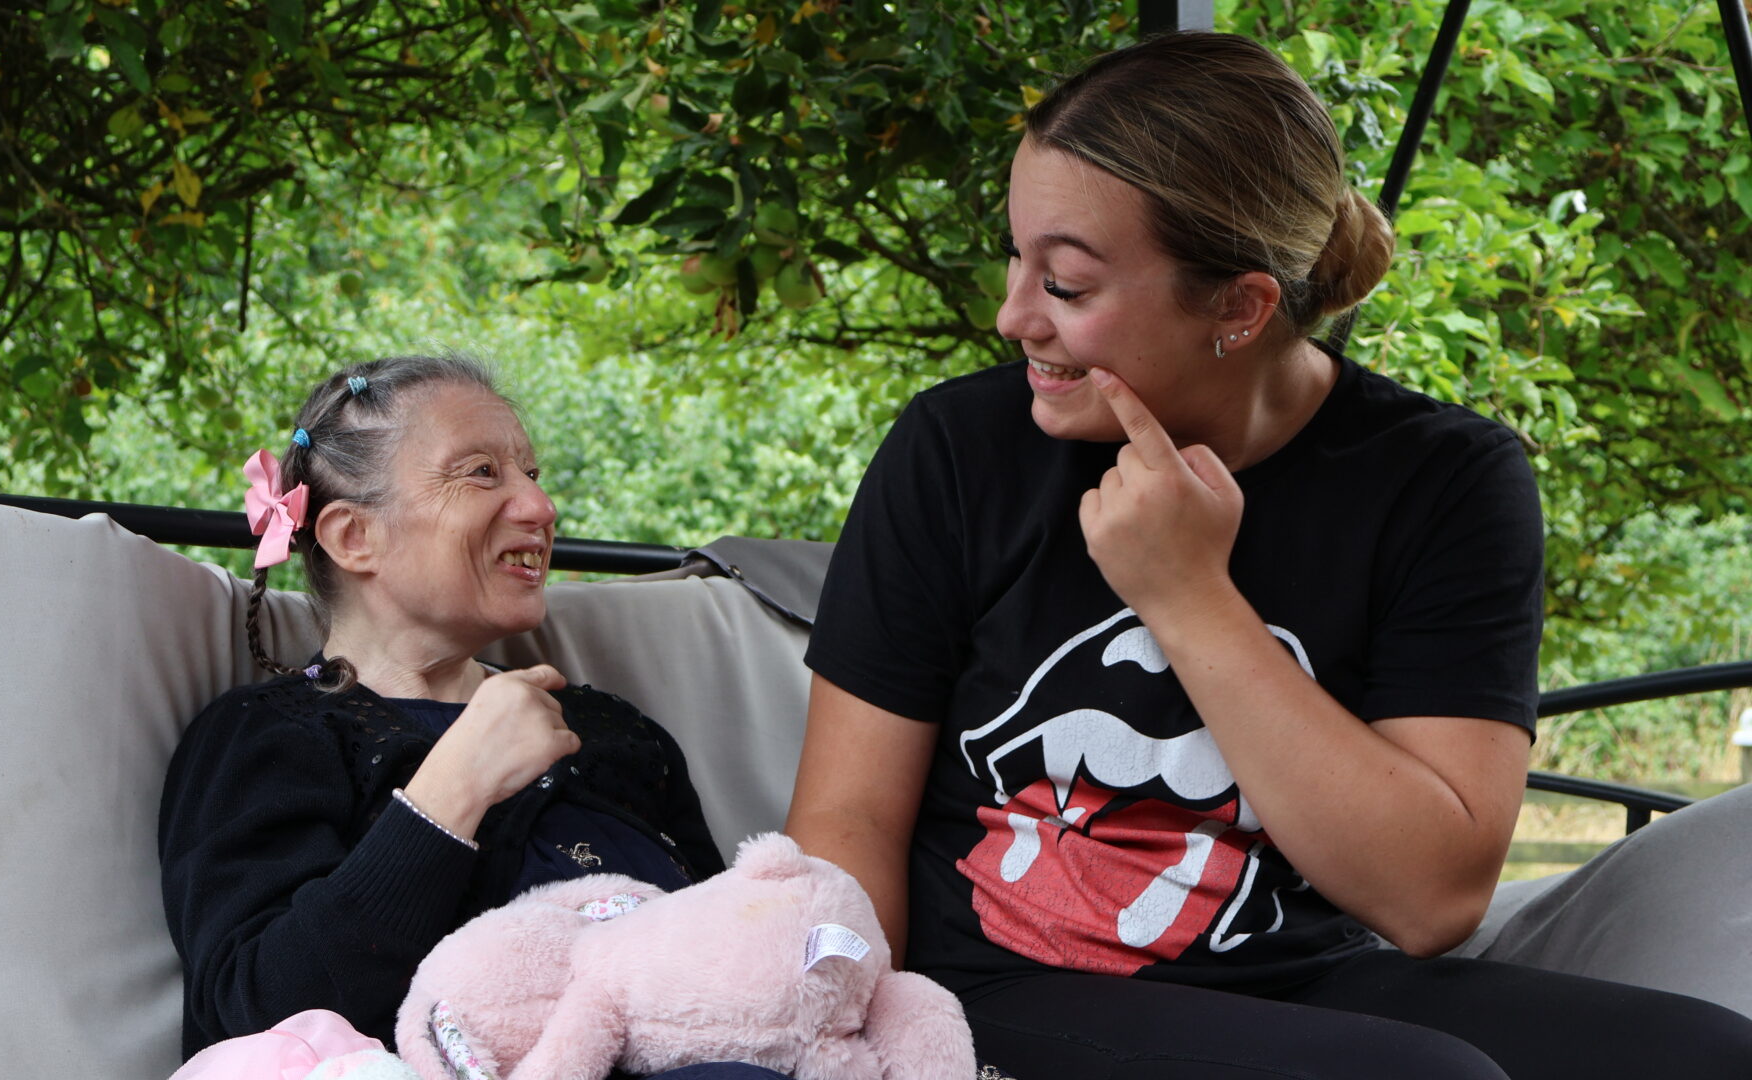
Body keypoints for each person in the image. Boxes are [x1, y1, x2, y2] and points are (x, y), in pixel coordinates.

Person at [786, 31, 1752, 1079]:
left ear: (1240, 307)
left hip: (1304, 972)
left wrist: (1190, 596)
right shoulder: (960, 452)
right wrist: (848, 1041)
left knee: (1707, 1054)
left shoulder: (1445, 480)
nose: (1014, 314)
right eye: (1018, 259)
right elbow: (846, 817)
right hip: (997, 985)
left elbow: (1430, 900)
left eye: (1065, 285)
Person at [159, 354, 788, 1080]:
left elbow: (739, 968)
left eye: (533, 475)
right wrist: (449, 794)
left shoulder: (614, 730)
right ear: (352, 535)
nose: (540, 508)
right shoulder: (270, 736)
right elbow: (263, 1017)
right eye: (482, 473)